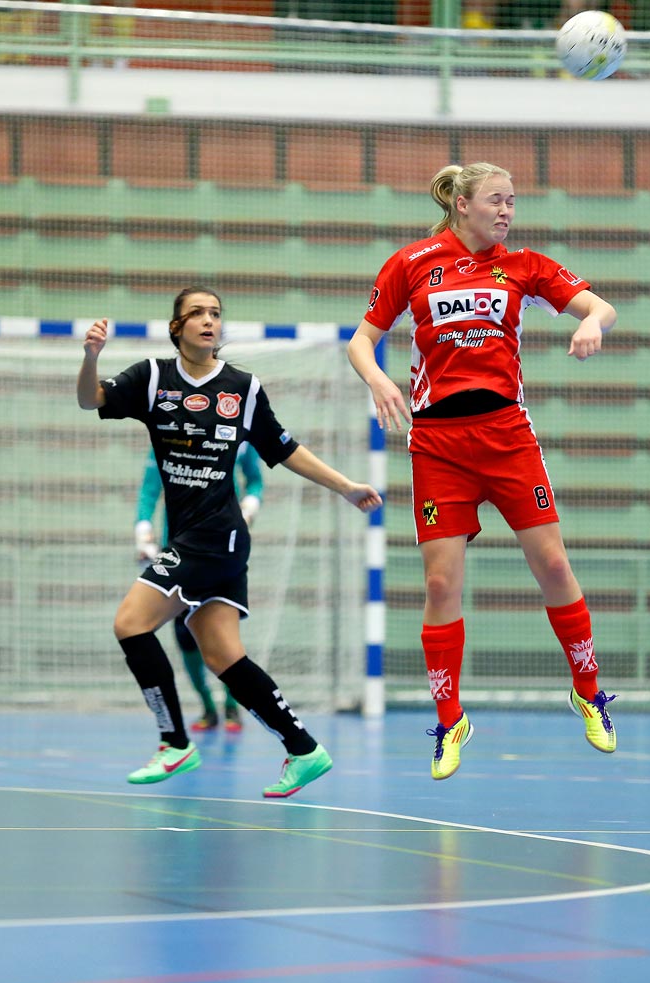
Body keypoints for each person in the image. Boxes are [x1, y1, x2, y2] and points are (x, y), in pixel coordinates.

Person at [346, 162, 619, 781]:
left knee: (552, 564)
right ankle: (449, 721)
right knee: (442, 586)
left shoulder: (525, 265)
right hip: (437, 441)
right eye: (496, 200)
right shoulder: (412, 263)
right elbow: (361, 341)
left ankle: (589, 691)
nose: (507, 211)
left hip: (506, 435)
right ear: (462, 204)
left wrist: (587, 323)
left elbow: (602, 308)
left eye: (513, 202)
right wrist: (379, 378)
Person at [79, 286, 383, 798]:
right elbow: (92, 399)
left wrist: (347, 487)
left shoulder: (243, 387)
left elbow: (284, 449)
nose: (207, 321)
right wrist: (91, 358)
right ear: (176, 327)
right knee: (224, 658)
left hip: (215, 538)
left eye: (215, 314)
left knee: (130, 624)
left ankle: (174, 742)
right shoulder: (152, 378)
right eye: (196, 313)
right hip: (200, 540)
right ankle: (304, 749)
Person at [134, 442, 265, 733]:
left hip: (221, 549)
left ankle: (233, 704)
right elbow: (149, 490)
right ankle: (206, 704)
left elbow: (255, 479)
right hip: (179, 549)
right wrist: (143, 530)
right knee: (184, 636)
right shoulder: (166, 435)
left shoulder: (237, 436)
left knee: (222, 636)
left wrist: (249, 506)